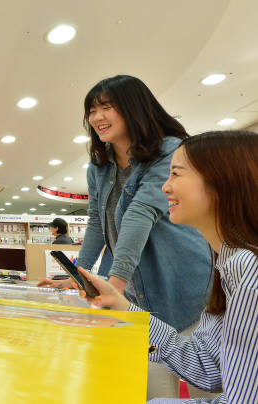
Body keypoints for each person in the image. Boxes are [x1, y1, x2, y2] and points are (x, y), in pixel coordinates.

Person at [38, 75, 212, 399]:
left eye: (106, 107)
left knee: (210, 383)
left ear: (133, 107)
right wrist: (80, 277)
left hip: (183, 287)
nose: (96, 117)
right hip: (139, 295)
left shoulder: (169, 151)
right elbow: (94, 223)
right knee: (151, 388)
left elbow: (140, 213)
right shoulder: (98, 166)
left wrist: (113, 286)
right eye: (92, 110)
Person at [77, 130, 257, 404]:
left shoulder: (249, 272)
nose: (165, 186)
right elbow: (207, 363)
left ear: (221, 181)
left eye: (176, 173)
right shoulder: (229, 266)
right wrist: (123, 305)